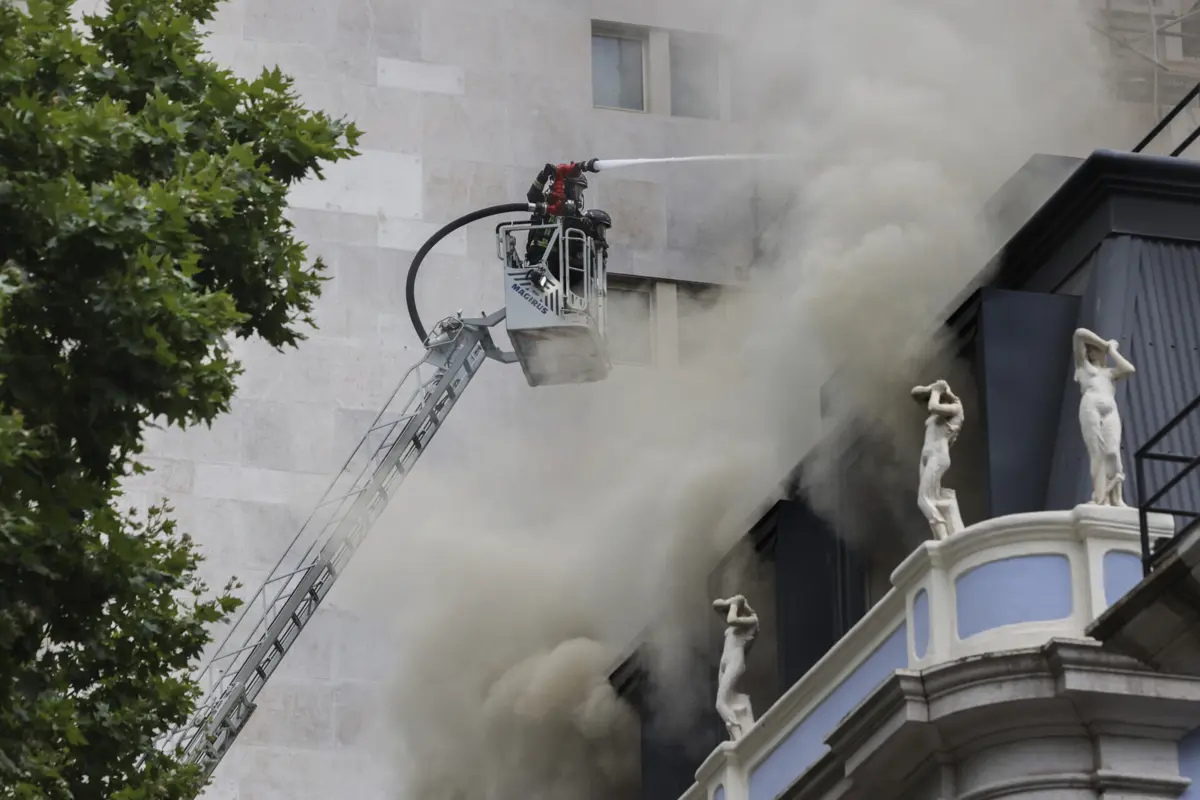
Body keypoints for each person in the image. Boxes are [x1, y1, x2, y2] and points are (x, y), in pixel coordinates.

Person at [1073, 328, 1136, 506]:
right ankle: (1102, 498)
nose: (1090, 352)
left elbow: (1129, 369)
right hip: (1091, 406)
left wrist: (1112, 351)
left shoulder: (1109, 373)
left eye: (1094, 349)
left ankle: (1117, 497)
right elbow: (1079, 334)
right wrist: (1105, 344)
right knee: (1097, 453)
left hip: (1110, 409)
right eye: (1089, 349)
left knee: (1112, 452)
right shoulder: (1083, 366)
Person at [912, 379, 965, 539]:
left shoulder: (956, 408)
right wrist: (933, 388)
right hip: (927, 456)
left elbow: (932, 407)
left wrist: (937, 391)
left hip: (938, 455)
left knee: (924, 500)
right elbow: (915, 393)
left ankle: (943, 538)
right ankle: (948, 528)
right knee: (935, 498)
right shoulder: (938, 408)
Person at [712, 594, 758, 741]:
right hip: (725, 662)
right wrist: (733, 602)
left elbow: (731, 619)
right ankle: (736, 733)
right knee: (730, 701)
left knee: (720, 703)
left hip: (735, 660)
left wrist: (735, 604)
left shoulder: (752, 620)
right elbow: (716, 605)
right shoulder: (736, 621)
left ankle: (738, 736)